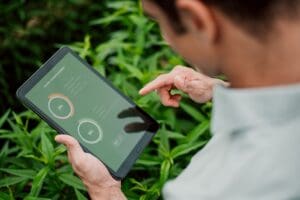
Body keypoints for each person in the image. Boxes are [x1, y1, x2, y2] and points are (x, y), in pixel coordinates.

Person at [55, 0, 300, 199]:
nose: (165, 38)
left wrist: (103, 189)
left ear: (196, 21)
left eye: (157, 20)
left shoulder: (216, 188)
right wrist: (218, 88)